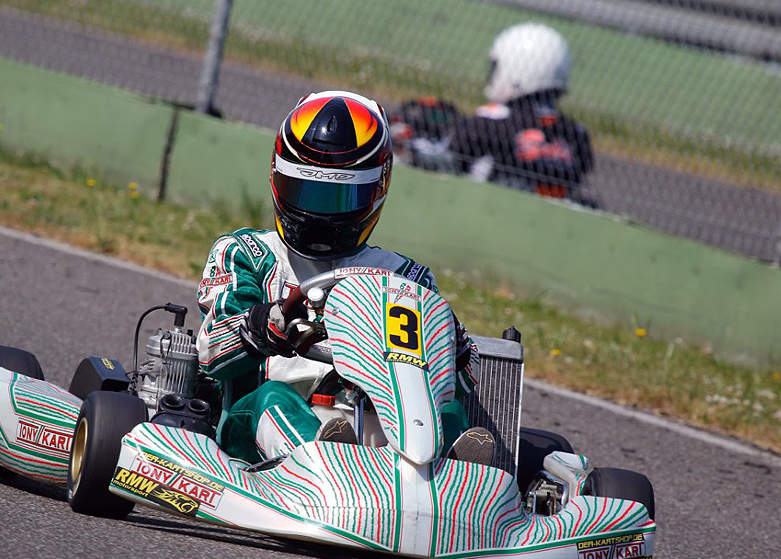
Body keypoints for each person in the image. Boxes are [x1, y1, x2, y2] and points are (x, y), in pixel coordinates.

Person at [196, 90, 489, 466]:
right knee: (275, 399)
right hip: (260, 429)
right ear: (277, 175)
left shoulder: (404, 278)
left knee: (451, 417)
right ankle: (317, 460)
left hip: (381, 430)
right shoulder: (246, 253)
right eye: (305, 191)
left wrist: (455, 349)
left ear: (377, 188)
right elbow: (209, 355)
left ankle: (459, 482)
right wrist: (261, 327)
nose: (317, 215)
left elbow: (458, 388)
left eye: (338, 198)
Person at [394, 23, 595, 204]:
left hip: (487, 211)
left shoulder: (492, 122)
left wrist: (407, 144)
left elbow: (448, 163)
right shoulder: (576, 134)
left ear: (517, 70)